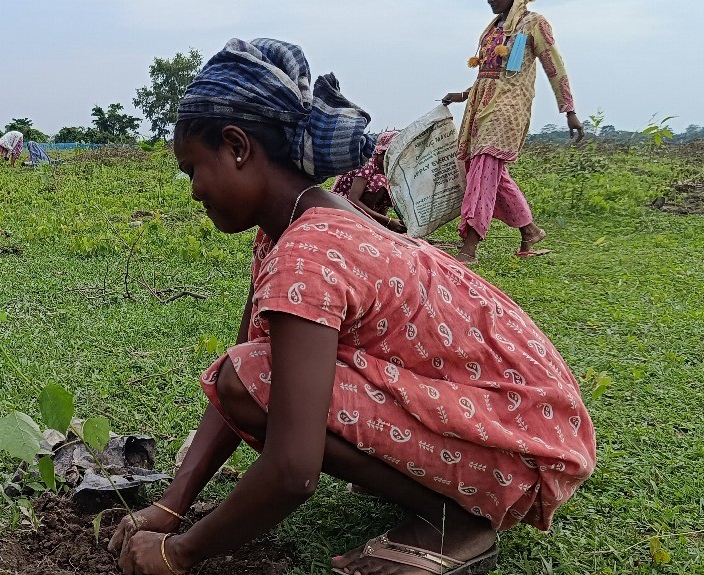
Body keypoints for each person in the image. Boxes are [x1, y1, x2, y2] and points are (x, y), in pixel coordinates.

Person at [108, 38, 596, 575]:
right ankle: (442, 495)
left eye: (192, 170)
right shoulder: (294, 227)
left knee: (249, 379)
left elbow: (292, 470)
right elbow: (245, 363)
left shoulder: (306, 253)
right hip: (525, 423)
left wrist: (178, 553)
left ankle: (451, 524)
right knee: (246, 372)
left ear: (237, 146)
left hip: (523, 449)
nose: (195, 191)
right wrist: (170, 506)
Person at [442, 0, 584, 264]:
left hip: (509, 106)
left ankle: (469, 246)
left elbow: (554, 66)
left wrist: (569, 110)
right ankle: (530, 230)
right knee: (484, 168)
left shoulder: (534, 23)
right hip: (480, 106)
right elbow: (489, 73)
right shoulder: (492, 27)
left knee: (484, 166)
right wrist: (464, 94)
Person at [331, 130, 406, 233]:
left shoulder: (388, 170)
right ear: (381, 152)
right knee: (380, 181)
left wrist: (384, 224)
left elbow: (384, 204)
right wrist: (388, 221)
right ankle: (363, 222)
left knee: (388, 185)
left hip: (363, 210)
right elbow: (353, 200)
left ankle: (374, 225)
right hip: (345, 206)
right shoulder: (368, 163)